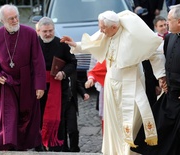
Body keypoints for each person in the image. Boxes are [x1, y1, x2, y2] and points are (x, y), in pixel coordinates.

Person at [61, 10, 166, 155]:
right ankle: (113, 151)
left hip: (131, 83)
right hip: (111, 84)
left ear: (114, 27)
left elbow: (155, 50)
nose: (101, 31)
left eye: (103, 28)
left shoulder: (132, 36)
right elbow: (94, 43)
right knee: (112, 121)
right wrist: (75, 45)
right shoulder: (106, 32)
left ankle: (128, 151)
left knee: (131, 120)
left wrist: (161, 75)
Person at [132, 4, 180, 155]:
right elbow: (166, 62)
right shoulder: (169, 37)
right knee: (158, 133)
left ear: (179, 22)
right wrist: (163, 78)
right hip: (170, 97)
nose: (166, 23)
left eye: (169, 20)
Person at [0, 4, 46, 151]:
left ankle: (22, 147)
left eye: (16, 17)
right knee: (8, 117)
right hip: (5, 82)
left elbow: (38, 60)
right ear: (2, 20)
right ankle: (7, 146)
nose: (15, 21)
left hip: (26, 80)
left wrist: (39, 85)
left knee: (25, 117)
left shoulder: (30, 33)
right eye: (11, 19)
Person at [37, 17, 77, 151]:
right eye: (45, 31)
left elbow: (72, 62)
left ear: (54, 29)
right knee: (39, 118)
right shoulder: (34, 44)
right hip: (39, 88)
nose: (48, 34)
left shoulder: (62, 44)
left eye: (50, 31)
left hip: (59, 88)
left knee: (60, 120)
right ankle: (41, 146)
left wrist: (64, 73)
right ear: (39, 31)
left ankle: (59, 147)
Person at [63, 71, 90, 152]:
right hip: (60, 102)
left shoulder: (72, 67)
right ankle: (63, 149)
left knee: (73, 128)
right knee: (61, 129)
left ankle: (74, 149)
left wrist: (83, 93)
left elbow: (76, 82)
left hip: (71, 102)